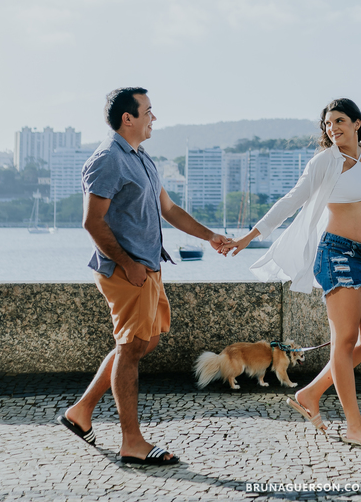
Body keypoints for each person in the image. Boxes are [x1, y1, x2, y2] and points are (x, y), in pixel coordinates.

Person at [221, 98, 361, 448]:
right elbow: (291, 200)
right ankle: (354, 426)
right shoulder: (326, 161)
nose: (331, 128)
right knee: (345, 339)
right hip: (338, 254)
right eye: (326, 124)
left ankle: (309, 395)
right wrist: (249, 236)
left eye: (338, 121)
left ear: (356, 123)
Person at [59, 87, 228, 466]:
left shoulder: (143, 158)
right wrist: (127, 264)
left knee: (141, 343)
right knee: (131, 349)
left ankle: (81, 411)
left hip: (149, 267)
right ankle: (131, 441)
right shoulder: (107, 160)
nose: (154, 118)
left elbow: (169, 209)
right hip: (127, 271)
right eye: (149, 111)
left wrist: (210, 236)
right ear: (128, 118)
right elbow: (92, 221)